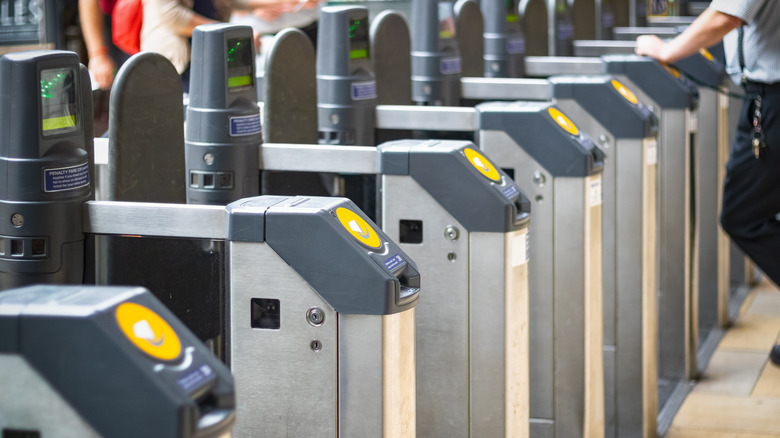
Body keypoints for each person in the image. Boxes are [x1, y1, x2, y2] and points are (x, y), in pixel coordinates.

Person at [635, 1, 780, 363]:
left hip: (773, 99)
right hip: (764, 96)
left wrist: (666, 50)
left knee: (742, 215)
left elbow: (727, 14)